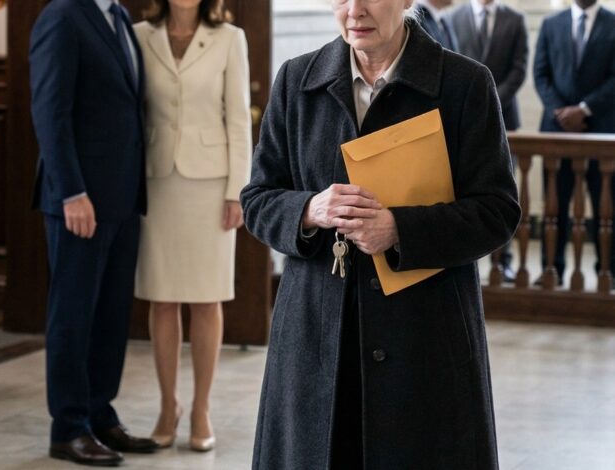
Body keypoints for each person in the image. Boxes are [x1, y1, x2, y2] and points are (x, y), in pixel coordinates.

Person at [240, 0, 520, 468]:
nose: (355, 11)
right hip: (315, 341)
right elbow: (258, 199)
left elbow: (497, 211)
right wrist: (309, 209)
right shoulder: (296, 80)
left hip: (424, 343)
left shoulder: (465, 84)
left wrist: (400, 229)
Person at [30, 0, 159, 465]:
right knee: (74, 317)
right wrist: (71, 192)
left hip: (121, 196)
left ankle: (100, 415)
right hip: (79, 202)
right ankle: (69, 428)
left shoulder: (118, 16)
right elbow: (50, 112)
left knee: (110, 316)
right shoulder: (62, 16)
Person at [132, 0, 252, 453]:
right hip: (156, 182)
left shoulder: (230, 39)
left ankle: (201, 408)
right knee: (161, 298)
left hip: (211, 186)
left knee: (206, 298)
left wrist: (237, 191)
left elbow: (239, 120)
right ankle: (169, 406)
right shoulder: (140, 36)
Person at [533, 0, 615, 286]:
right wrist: (562, 112)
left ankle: (608, 272)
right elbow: (540, 74)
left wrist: (584, 109)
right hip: (556, 131)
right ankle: (551, 269)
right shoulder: (550, 24)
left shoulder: (612, 23)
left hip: (601, 131)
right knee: (554, 206)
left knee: (606, 207)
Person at [449, 0, 528, 282]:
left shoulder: (515, 19)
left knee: (501, 193)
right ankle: (466, 259)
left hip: (505, 117)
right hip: (460, 120)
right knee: (461, 191)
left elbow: (519, 70)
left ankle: (503, 262)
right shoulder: (453, 18)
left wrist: (489, 99)